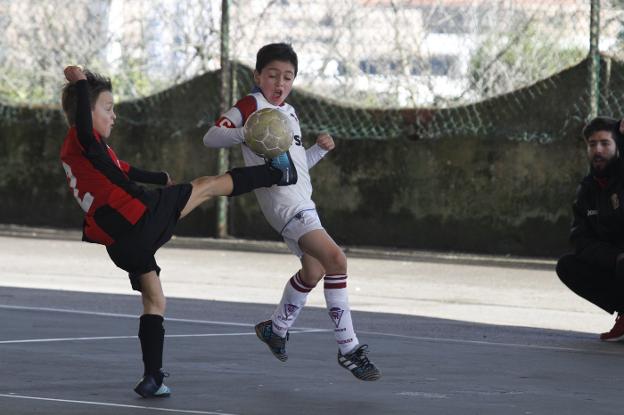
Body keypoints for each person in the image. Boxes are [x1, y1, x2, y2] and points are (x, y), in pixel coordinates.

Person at [60, 66, 287, 398]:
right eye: (108, 109)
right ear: (86, 111)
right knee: (206, 186)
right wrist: (80, 82)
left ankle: (152, 377)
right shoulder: (81, 140)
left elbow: (125, 170)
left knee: (155, 301)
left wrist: (158, 177)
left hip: (121, 243)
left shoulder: (90, 151)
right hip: (140, 220)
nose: (114, 117)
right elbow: (84, 122)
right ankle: (276, 173)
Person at [202, 43, 381, 381]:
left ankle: (276, 329)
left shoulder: (291, 113)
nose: (279, 83)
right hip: (286, 207)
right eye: (272, 75)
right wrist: (245, 132)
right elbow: (211, 137)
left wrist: (317, 150)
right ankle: (349, 348)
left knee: (313, 271)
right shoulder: (251, 105)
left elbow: (297, 167)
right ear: (258, 76)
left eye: (287, 76)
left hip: (302, 203)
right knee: (337, 260)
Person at [556, 116, 624, 342]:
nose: (598, 150)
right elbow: (579, 239)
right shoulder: (587, 189)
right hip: (616, 262)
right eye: (592, 144)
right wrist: (614, 257)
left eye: (605, 143)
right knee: (568, 266)